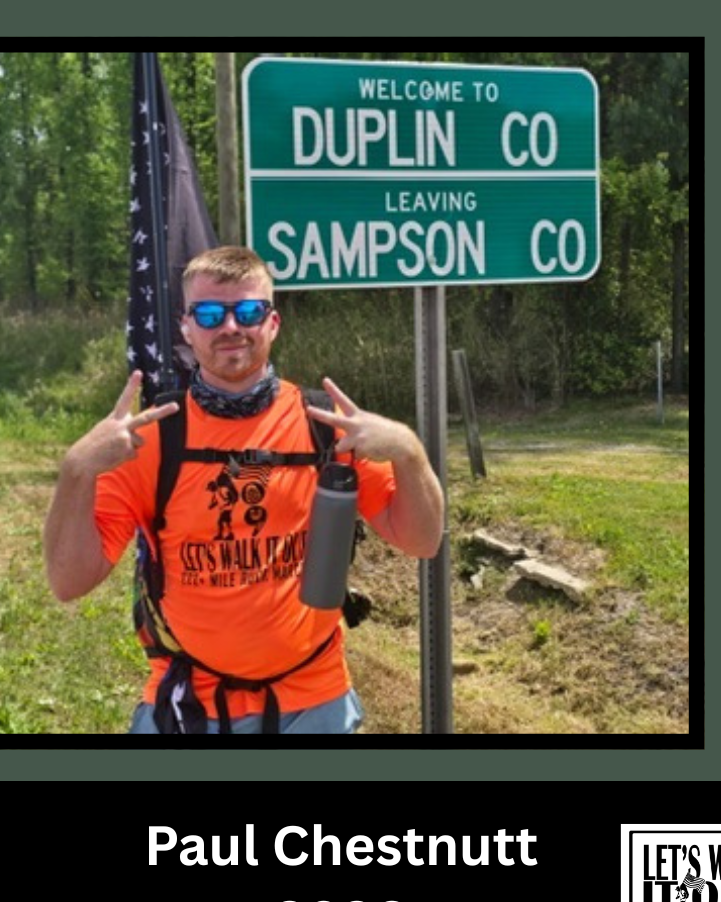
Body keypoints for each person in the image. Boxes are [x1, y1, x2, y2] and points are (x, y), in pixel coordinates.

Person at [44, 246, 444, 734]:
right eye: (210, 314)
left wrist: (408, 450)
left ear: (272, 322)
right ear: (187, 329)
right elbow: (69, 581)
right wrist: (76, 469)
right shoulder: (151, 439)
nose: (230, 327)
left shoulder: (326, 427)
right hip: (190, 705)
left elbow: (421, 541)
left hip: (315, 703)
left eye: (248, 311)